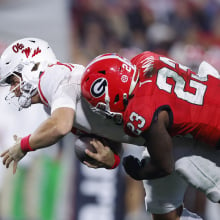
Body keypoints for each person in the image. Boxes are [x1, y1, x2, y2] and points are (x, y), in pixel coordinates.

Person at [0, 38, 217, 220]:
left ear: (32, 66)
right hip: (155, 134)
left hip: (176, 135)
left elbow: (60, 125)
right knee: (163, 210)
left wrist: (23, 146)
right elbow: (113, 138)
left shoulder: (51, 77)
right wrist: (109, 158)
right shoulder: (54, 102)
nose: (13, 89)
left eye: (13, 79)